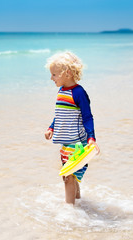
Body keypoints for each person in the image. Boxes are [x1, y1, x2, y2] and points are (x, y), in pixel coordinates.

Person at [44, 51, 100, 205]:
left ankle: (70, 212)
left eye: (54, 74)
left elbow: (88, 117)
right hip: (66, 144)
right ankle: (79, 203)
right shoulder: (62, 91)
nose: (51, 78)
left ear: (67, 73)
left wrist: (91, 138)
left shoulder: (79, 93)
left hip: (77, 144)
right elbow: (61, 114)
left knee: (68, 176)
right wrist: (51, 128)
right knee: (71, 176)